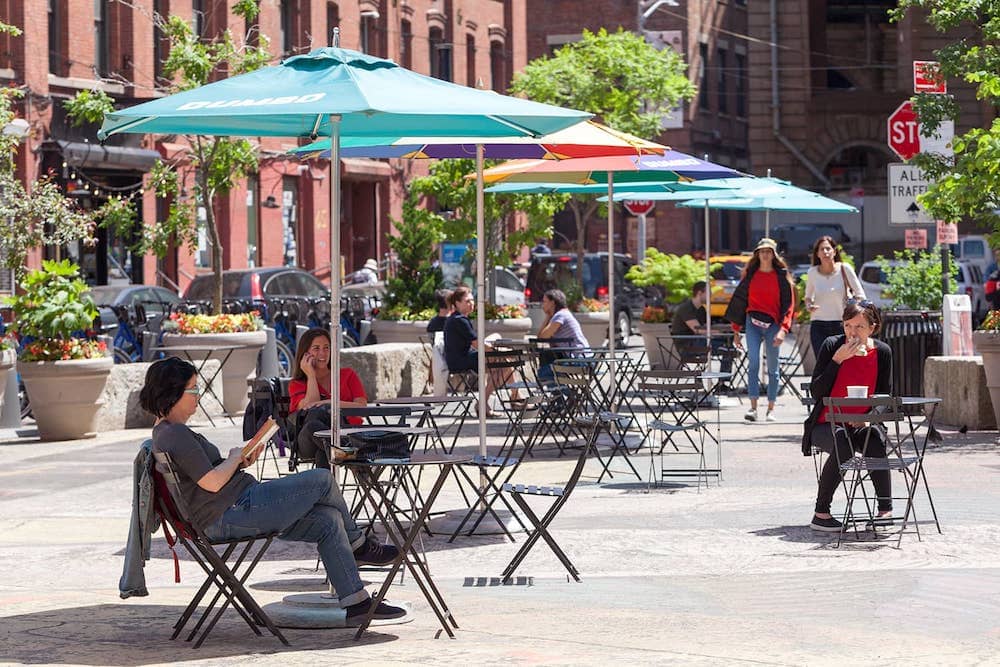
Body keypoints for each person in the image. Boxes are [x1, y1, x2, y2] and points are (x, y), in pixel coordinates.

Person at [139, 356, 407, 624]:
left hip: (232, 509)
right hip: (232, 512)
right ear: (173, 392)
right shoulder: (175, 434)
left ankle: (356, 602)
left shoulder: (168, 432)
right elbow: (212, 482)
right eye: (194, 389)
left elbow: (208, 477)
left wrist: (241, 459)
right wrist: (234, 458)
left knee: (329, 520)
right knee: (323, 479)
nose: (198, 395)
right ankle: (359, 546)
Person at [801, 300, 892, 532]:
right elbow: (817, 392)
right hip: (826, 423)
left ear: (872, 328)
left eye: (859, 327)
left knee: (875, 440)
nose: (852, 332)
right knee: (844, 444)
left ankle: (885, 511)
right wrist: (837, 361)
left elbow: (884, 396)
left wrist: (868, 417)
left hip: (862, 422)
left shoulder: (882, 352)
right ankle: (821, 513)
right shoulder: (832, 346)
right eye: (848, 325)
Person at [725, 238, 795, 423]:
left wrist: (783, 330)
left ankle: (771, 409)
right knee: (753, 363)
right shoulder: (750, 275)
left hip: (774, 324)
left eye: (768, 251)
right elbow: (739, 302)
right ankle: (753, 408)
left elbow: (789, 306)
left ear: (774, 254)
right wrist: (736, 331)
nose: (765, 254)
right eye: (762, 251)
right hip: (752, 323)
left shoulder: (781, 276)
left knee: (773, 368)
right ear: (757, 254)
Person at [289, 328, 368, 469]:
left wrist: (330, 403)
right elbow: (310, 407)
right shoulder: (297, 384)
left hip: (344, 433)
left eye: (326, 348)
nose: (322, 353)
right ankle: (353, 457)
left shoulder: (347, 375)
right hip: (308, 442)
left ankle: (327, 488)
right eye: (316, 348)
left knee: (323, 452)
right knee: (314, 422)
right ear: (305, 352)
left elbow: (361, 407)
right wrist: (311, 376)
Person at [443, 286, 502, 415]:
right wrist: (498, 351)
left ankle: (513, 396)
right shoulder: (460, 320)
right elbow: (477, 344)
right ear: (457, 303)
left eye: (472, 300)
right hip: (461, 361)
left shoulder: (457, 318)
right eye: (467, 301)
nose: (471, 304)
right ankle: (483, 403)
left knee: (503, 363)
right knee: (502, 364)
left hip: (461, 358)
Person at [804, 236, 866, 357]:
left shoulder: (844, 269)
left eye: (828, 248)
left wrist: (855, 311)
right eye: (822, 249)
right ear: (817, 253)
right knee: (823, 362)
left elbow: (860, 295)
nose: (825, 252)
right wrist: (809, 305)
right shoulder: (812, 272)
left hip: (842, 324)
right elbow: (808, 297)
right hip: (819, 324)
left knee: (842, 362)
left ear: (834, 251)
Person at [671, 281, 733, 374]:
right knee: (726, 348)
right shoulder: (686, 308)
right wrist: (720, 333)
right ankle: (723, 381)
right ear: (700, 293)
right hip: (687, 345)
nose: (711, 295)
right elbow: (698, 329)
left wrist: (725, 328)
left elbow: (707, 327)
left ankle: (723, 382)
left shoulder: (701, 310)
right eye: (709, 293)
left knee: (729, 346)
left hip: (698, 341)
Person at [536, 289, 588, 380]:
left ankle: (566, 393)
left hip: (579, 360)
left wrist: (547, 316)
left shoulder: (560, 315)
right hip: (583, 358)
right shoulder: (564, 314)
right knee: (547, 359)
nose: (542, 305)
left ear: (552, 303)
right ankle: (564, 392)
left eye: (544, 302)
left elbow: (542, 337)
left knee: (543, 373)